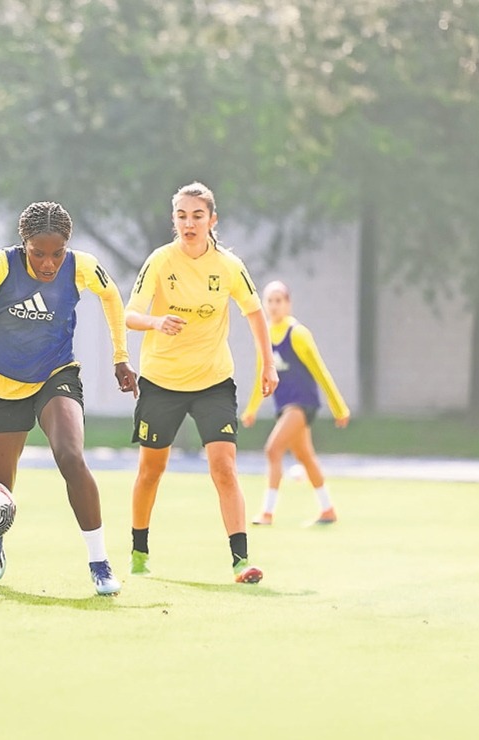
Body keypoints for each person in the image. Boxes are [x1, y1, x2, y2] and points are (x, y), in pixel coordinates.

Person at [0, 201, 137, 596]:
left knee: (72, 457)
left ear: (67, 247)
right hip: (1, 383)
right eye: (38, 253)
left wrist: (121, 357)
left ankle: (99, 562)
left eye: (56, 253)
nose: (48, 263)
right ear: (23, 244)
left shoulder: (82, 266)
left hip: (55, 374)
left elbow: (111, 298)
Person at [124, 182, 278, 584]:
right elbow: (131, 315)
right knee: (151, 470)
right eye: (181, 215)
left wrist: (268, 365)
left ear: (212, 220)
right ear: (174, 220)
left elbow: (255, 312)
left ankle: (241, 561)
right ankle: (139, 552)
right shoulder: (160, 261)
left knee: (224, 466)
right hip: (162, 380)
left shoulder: (228, 266)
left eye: (197, 215)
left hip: (213, 381)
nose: (189, 223)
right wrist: (157, 321)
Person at [241, 280, 350, 525]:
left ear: (288, 303)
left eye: (279, 300)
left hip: (302, 403)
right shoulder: (266, 335)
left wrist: (338, 407)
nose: (274, 306)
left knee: (273, 449)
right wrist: (251, 410)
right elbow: (263, 374)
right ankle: (327, 510)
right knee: (305, 457)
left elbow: (320, 371)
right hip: (284, 405)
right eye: (269, 301)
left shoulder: (298, 333)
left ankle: (267, 513)